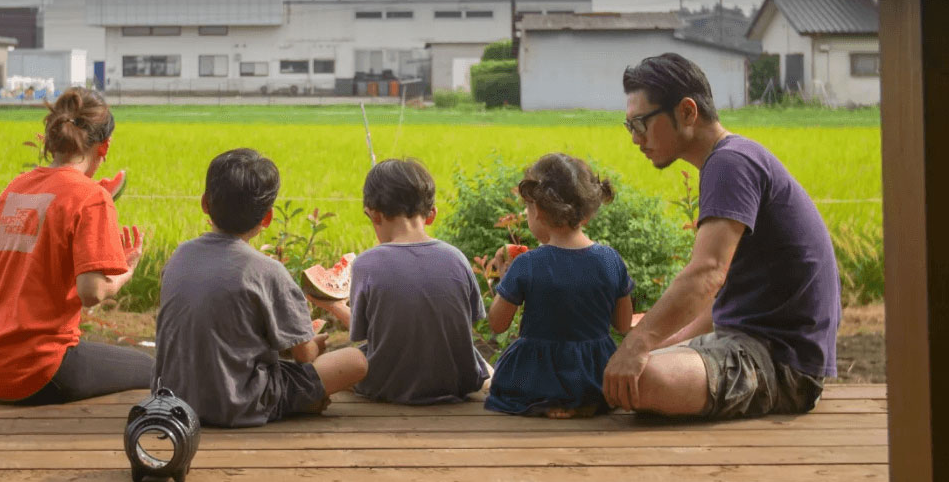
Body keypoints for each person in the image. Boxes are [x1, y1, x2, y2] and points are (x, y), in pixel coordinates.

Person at [602, 52, 840, 418]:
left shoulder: (730, 163)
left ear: (686, 112)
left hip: (780, 364)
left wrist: (639, 344)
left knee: (637, 378)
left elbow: (707, 273)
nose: (636, 139)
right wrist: (660, 341)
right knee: (618, 366)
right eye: (629, 125)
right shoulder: (730, 159)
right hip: (747, 345)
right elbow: (723, 299)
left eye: (641, 123)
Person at [0, 88, 153, 405]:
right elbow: (91, 291)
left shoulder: (16, 189)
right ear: (104, 146)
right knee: (152, 368)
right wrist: (126, 272)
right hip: (33, 372)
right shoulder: (91, 197)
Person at [151, 148, 367, 428]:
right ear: (267, 218)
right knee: (355, 361)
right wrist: (313, 341)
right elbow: (305, 356)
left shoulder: (178, 256)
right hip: (239, 403)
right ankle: (301, 403)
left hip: (173, 401)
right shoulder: (268, 271)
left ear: (205, 203)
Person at [309, 158, 491, 404]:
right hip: (456, 382)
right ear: (432, 215)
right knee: (481, 360)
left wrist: (333, 306)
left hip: (387, 386)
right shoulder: (456, 258)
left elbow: (363, 333)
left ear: (374, 215)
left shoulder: (366, 263)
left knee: (343, 361)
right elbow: (464, 323)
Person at [484, 153, 635, 418]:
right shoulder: (610, 260)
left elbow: (497, 324)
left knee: (506, 386)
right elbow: (623, 324)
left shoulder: (528, 264)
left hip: (535, 378)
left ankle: (549, 402)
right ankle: (584, 401)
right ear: (587, 212)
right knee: (594, 382)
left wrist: (505, 278)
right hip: (595, 376)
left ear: (538, 210)